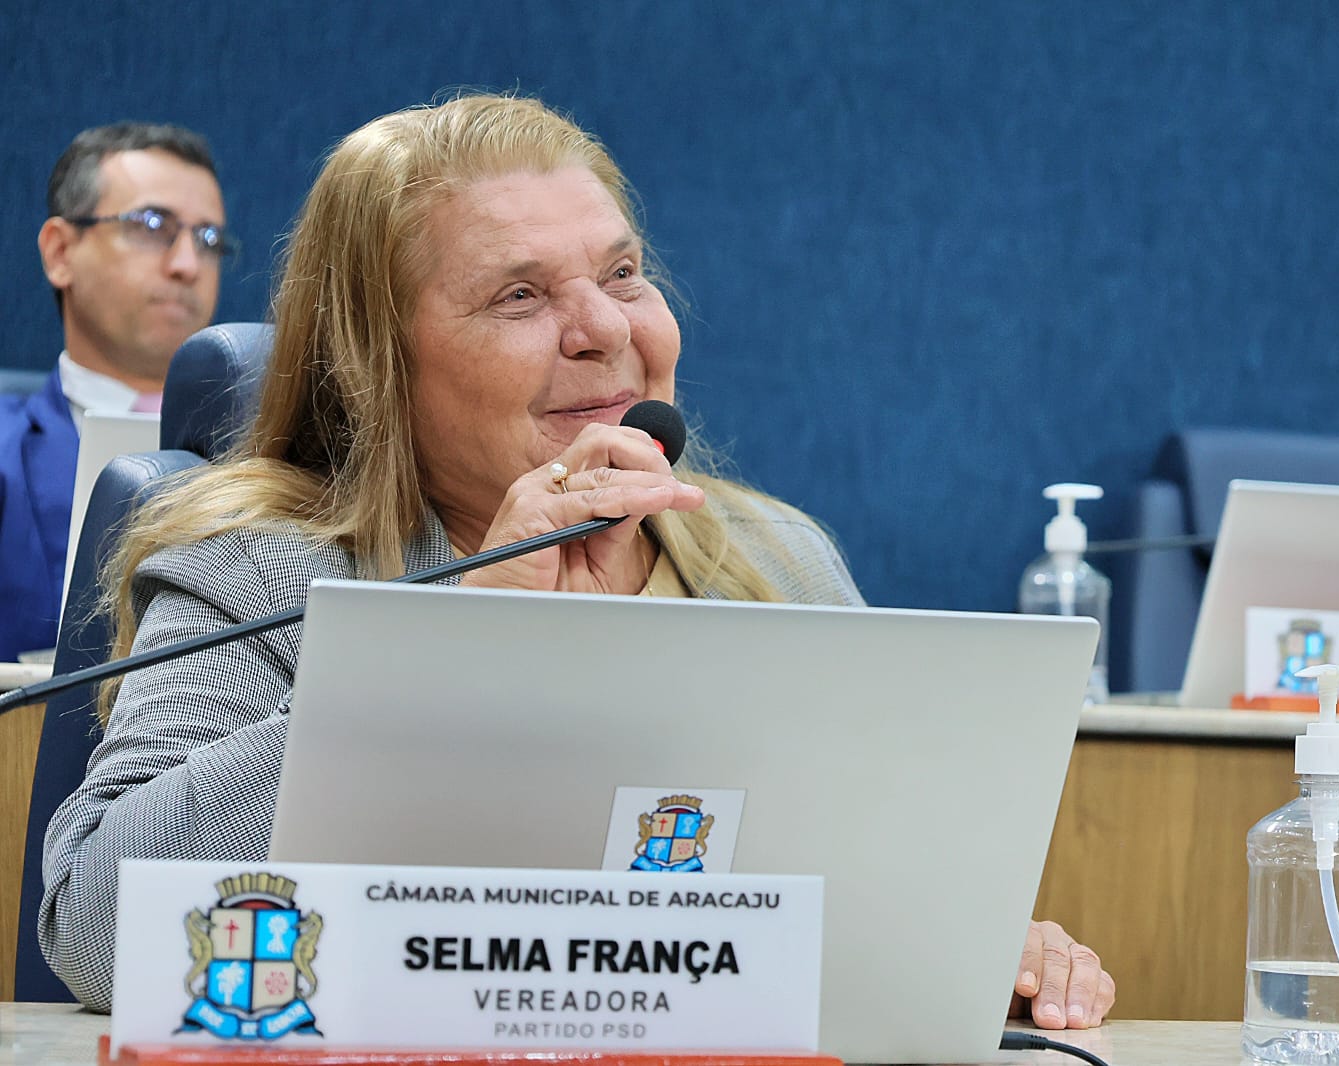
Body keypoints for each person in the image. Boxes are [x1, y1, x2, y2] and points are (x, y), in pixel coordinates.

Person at [39, 95, 1115, 1028]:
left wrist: (977, 951)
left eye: (623, 274)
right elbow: (95, 929)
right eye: (520, 295)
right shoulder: (257, 573)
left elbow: (878, 908)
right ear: (375, 364)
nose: (606, 327)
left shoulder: (776, 563)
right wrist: (445, 648)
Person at [0, 122, 231, 661]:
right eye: (152, 225)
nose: (187, 265)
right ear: (60, 252)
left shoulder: (275, 458)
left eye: (208, 239)